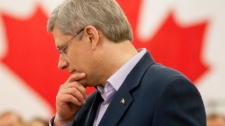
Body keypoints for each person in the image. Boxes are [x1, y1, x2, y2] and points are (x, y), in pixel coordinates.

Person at [47, 0, 206, 125]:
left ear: (91, 36)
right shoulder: (83, 107)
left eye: (63, 49)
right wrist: (63, 122)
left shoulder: (169, 90)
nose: (61, 64)